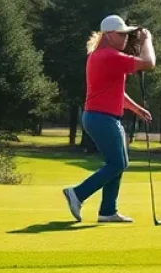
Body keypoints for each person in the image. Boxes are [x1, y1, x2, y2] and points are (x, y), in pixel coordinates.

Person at [63, 15, 155, 224]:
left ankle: (107, 211)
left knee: (118, 163)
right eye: (122, 34)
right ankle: (77, 194)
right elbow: (148, 63)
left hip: (102, 116)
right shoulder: (109, 56)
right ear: (110, 35)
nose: (125, 38)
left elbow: (116, 93)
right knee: (117, 163)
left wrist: (137, 109)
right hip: (101, 117)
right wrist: (146, 40)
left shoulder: (103, 56)